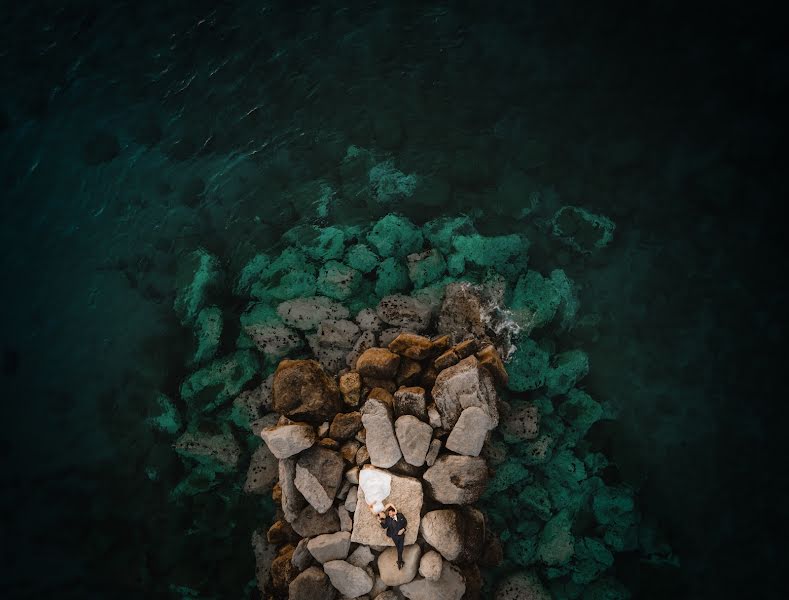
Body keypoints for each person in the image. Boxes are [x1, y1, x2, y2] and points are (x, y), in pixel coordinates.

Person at [378, 504, 408, 569]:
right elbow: (384, 526)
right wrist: (380, 521)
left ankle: (399, 562)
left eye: (390, 512)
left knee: (400, 548)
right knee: (399, 548)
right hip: (394, 536)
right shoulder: (388, 519)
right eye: (388, 513)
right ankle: (400, 562)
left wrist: (403, 529)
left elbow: (405, 522)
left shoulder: (400, 515)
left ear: (394, 511)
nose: (389, 514)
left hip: (401, 535)